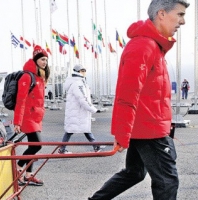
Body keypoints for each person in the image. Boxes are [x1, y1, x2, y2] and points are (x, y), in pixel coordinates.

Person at [88, 0, 190, 199]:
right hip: (150, 130)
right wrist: (122, 133)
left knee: (134, 173)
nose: (182, 21)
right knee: (167, 181)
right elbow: (128, 93)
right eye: (179, 15)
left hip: (147, 126)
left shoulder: (153, 45)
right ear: (161, 13)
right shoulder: (144, 46)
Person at [13, 45, 50, 186]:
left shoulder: (40, 77)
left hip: (36, 117)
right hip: (28, 117)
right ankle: (19, 168)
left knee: (33, 146)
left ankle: (28, 175)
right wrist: (17, 122)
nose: (44, 62)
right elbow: (20, 100)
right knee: (36, 145)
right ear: (35, 60)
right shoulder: (27, 76)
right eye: (41, 59)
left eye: (46, 59)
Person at [58, 64, 101, 154]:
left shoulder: (78, 82)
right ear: (78, 72)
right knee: (82, 130)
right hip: (78, 112)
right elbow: (83, 98)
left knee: (77, 130)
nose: (85, 72)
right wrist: (93, 109)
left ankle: (95, 146)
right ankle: (96, 146)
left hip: (76, 111)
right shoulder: (78, 83)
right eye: (83, 70)